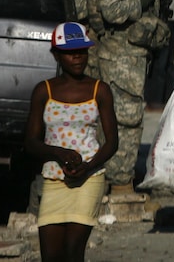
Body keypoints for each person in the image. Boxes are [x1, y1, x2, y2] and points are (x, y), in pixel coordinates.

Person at [86, 0, 163, 195]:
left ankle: (117, 180)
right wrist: (143, 0)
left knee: (117, 118)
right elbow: (111, 10)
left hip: (123, 53)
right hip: (120, 55)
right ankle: (120, 186)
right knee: (125, 119)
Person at [25, 22, 117, 262]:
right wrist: (59, 153)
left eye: (82, 50)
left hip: (90, 178)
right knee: (51, 255)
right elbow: (31, 142)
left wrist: (88, 166)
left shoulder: (100, 90)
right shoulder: (43, 91)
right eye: (69, 52)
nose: (77, 56)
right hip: (54, 179)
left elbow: (112, 143)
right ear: (56, 55)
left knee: (72, 251)